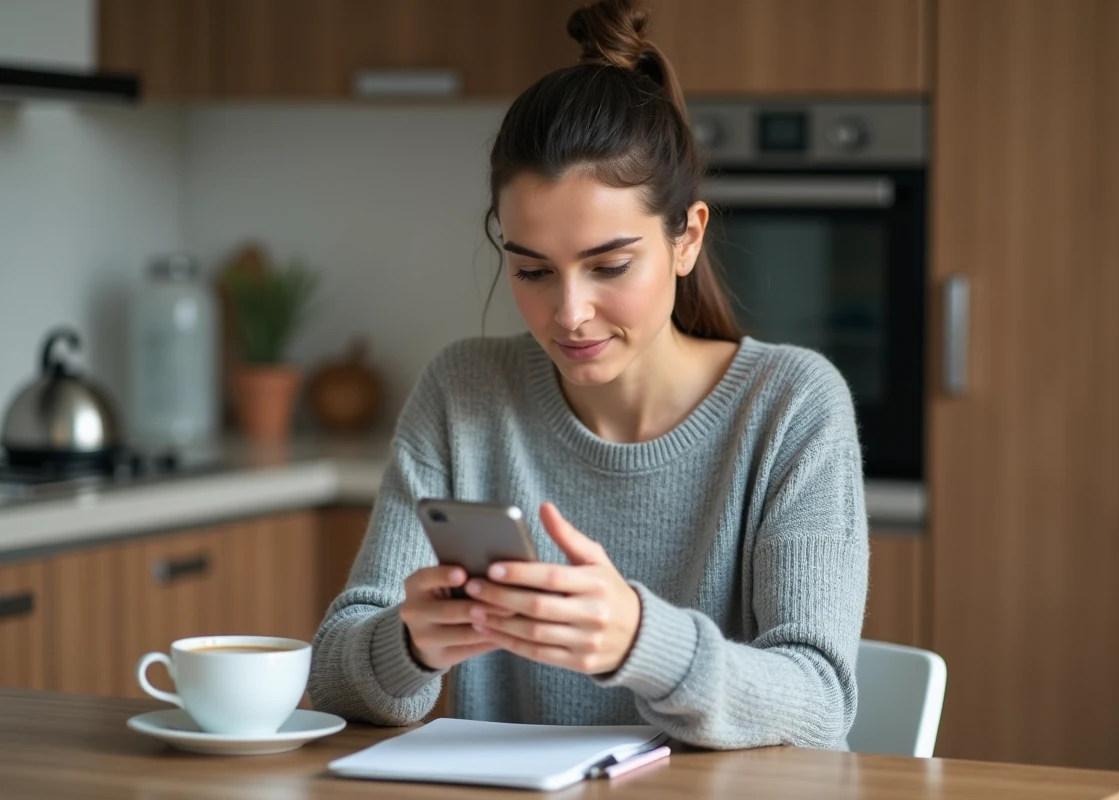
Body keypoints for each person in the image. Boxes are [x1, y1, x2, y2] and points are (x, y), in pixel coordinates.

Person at [308, 0, 869, 751]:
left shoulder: (792, 406)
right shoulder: (464, 393)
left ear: (686, 238)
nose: (569, 313)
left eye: (609, 266)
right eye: (533, 270)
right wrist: (409, 645)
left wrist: (642, 640)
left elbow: (820, 702)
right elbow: (337, 670)